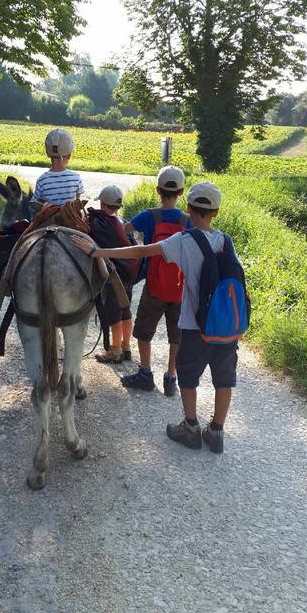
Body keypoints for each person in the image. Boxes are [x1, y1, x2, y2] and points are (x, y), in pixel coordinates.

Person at [71, 181, 237, 454]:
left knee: (188, 376)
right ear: (216, 213)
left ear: (190, 208)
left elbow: (140, 251)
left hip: (196, 325)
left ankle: (191, 427)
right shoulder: (226, 241)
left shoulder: (185, 240)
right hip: (227, 326)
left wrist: (98, 252)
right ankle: (217, 431)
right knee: (224, 378)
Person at [121, 166, 189, 397]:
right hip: (180, 288)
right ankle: (171, 377)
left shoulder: (148, 216)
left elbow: (124, 230)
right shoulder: (187, 220)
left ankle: (145, 373)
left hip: (154, 287)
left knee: (144, 331)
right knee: (176, 335)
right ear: (181, 192)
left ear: (158, 190)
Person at [88, 185, 138, 364]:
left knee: (114, 314)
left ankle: (115, 351)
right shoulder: (122, 222)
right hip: (129, 274)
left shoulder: (99, 223)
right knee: (126, 311)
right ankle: (126, 347)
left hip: (115, 276)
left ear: (102, 203)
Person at [33, 129, 84, 206]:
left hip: (49, 217)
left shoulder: (42, 180)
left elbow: (35, 202)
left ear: (48, 153)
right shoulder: (76, 177)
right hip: (69, 217)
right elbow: (78, 202)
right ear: (69, 155)